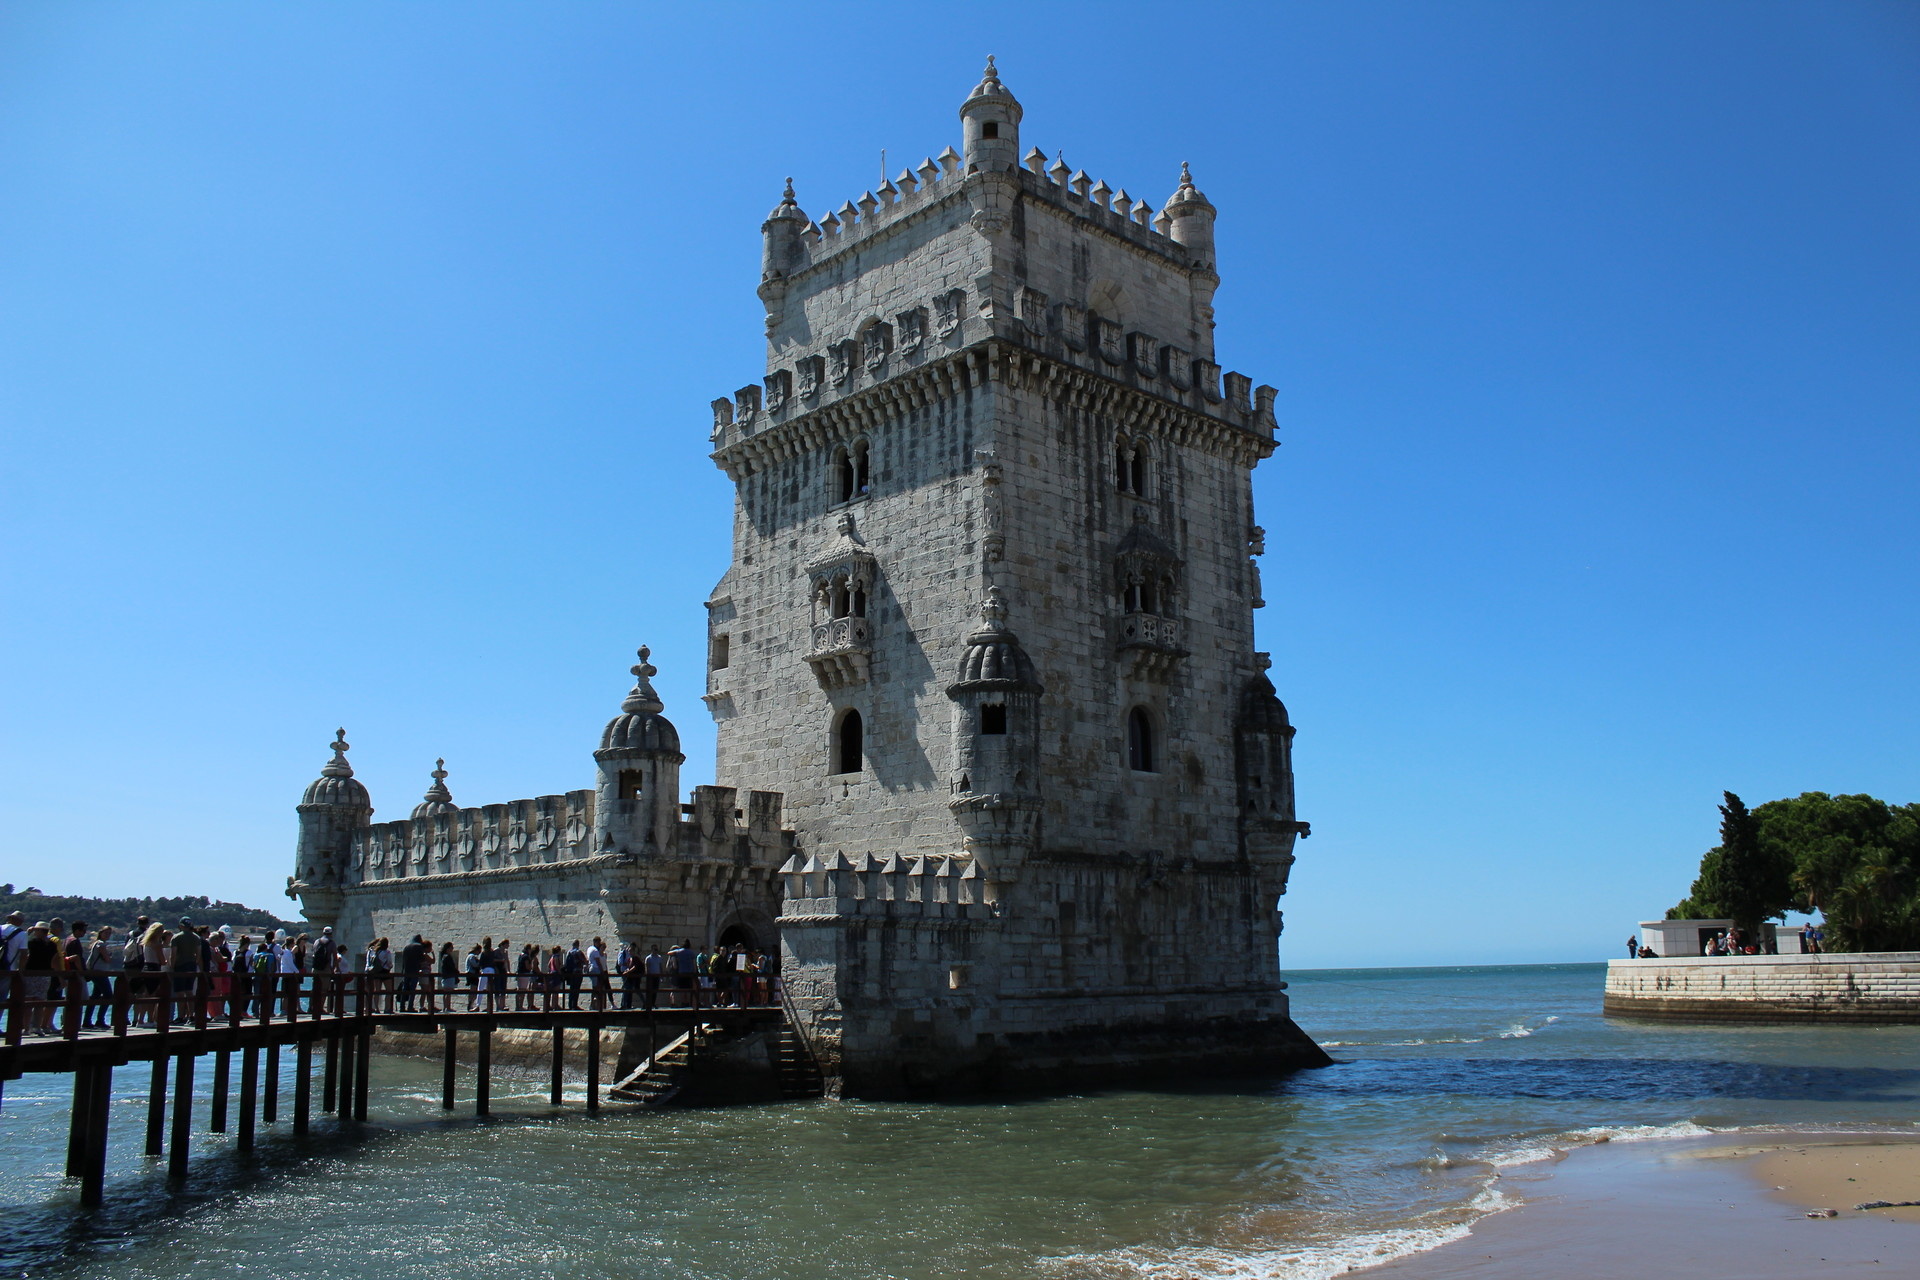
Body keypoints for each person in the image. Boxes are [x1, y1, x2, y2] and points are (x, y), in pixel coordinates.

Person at [84, 926, 120, 1028]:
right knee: (108, 995)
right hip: (99, 973)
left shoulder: (97, 943)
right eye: (106, 933)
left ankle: (87, 1020)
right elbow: (107, 959)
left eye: (109, 933)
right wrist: (109, 956)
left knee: (95, 997)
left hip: (97, 972)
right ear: (101, 933)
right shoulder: (100, 944)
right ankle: (100, 1019)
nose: (108, 935)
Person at [398, 935, 427, 1012]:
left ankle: (402, 1007)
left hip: (406, 971)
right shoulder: (419, 946)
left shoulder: (406, 947)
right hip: (414, 970)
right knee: (412, 989)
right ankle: (410, 1007)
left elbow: (403, 961)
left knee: (405, 988)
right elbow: (422, 959)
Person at [586, 937, 610, 1011]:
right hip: (596, 969)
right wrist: (602, 971)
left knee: (595, 987)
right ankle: (597, 1006)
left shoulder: (589, 948)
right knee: (598, 987)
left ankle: (593, 1005)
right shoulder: (595, 950)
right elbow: (598, 962)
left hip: (591, 968)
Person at [562, 939, 586, 1011]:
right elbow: (584, 961)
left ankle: (570, 1005)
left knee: (572, 989)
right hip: (578, 972)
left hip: (571, 973)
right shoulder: (578, 952)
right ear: (578, 944)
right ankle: (574, 1005)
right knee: (576, 989)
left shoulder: (569, 952)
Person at [515, 943, 537, 1011]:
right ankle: (520, 1006)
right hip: (524, 974)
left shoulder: (521, 954)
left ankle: (517, 1006)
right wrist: (531, 968)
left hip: (519, 973)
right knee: (523, 990)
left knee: (519, 990)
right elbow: (527, 966)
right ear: (528, 949)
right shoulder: (526, 956)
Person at [642, 944, 663, 1012]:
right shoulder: (648, 958)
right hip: (650, 977)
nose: (656, 951)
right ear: (652, 950)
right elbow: (647, 968)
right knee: (649, 991)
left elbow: (660, 967)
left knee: (655, 991)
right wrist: (648, 975)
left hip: (657, 976)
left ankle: (653, 1003)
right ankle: (648, 1004)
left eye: (656, 949)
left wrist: (661, 976)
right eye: (654, 949)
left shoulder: (659, 957)